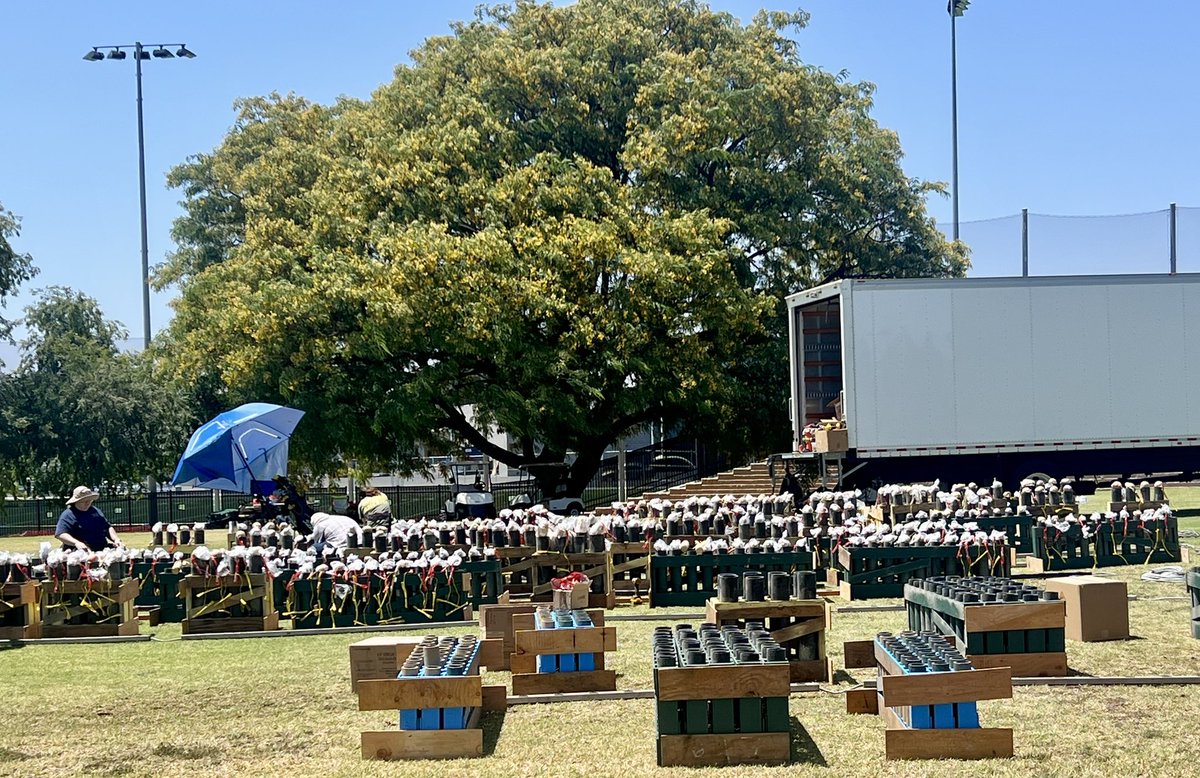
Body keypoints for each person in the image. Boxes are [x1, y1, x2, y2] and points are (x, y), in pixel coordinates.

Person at [55, 486, 123, 551]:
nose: (87, 503)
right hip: (79, 553)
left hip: (102, 549)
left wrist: (116, 539)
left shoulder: (95, 511)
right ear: (76, 501)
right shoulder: (68, 514)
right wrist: (76, 543)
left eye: (89, 500)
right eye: (84, 501)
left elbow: (107, 527)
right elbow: (61, 534)